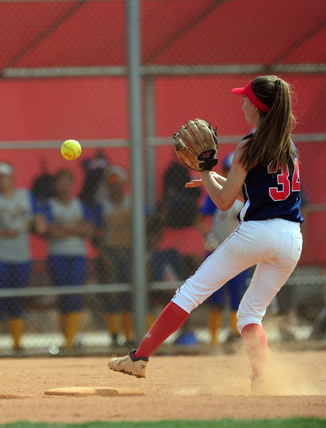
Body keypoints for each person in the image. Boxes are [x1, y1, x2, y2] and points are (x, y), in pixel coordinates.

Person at [108, 76, 303, 392]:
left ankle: (139, 358)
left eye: (246, 100)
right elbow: (257, 195)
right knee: (251, 313)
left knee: (190, 293)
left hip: (256, 233)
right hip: (291, 239)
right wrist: (214, 178)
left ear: (257, 107)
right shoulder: (288, 147)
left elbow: (224, 201)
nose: (242, 104)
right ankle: (261, 379)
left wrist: (203, 171)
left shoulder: (249, 144)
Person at [0, 162, 46, 355]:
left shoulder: (26, 197)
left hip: (21, 256)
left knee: (17, 299)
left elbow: (38, 219)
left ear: (12, 177)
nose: (1, 180)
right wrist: (3, 233)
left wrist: (40, 224)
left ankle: (17, 344)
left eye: (4, 176)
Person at [195, 153, 248, 346]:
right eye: (228, 169)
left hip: (240, 252)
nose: (231, 172)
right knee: (216, 296)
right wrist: (207, 236)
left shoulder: (247, 195)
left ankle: (235, 338)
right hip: (217, 249)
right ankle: (214, 340)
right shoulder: (218, 194)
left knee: (238, 295)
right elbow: (200, 218)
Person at [44, 169, 94, 352]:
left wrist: (62, 229)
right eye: (60, 182)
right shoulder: (49, 205)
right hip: (57, 256)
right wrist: (75, 228)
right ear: (55, 185)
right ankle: (66, 341)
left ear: (73, 185)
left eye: (67, 182)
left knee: (76, 296)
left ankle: (71, 341)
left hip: (78, 256)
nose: (64, 186)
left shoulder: (79, 204)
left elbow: (89, 229)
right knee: (64, 297)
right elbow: (49, 231)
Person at [93, 166, 135, 347]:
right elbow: (95, 234)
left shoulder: (132, 203)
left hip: (131, 252)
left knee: (130, 294)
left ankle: (129, 336)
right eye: (111, 183)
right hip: (110, 252)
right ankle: (114, 336)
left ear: (123, 184)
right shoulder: (102, 206)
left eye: (117, 182)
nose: (114, 186)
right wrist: (103, 255)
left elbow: (151, 224)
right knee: (111, 295)